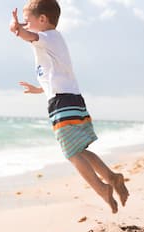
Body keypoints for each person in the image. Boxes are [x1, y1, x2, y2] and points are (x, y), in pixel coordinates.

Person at [9, 0, 129, 213]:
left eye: (28, 21)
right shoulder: (53, 40)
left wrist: (17, 29)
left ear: (43, 20)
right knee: (79, 149)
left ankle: (103, 189)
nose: (26, 25)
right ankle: (112, 177)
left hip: (62, 103)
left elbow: (29, 35)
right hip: (71, 99)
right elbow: (54, 76)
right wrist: (38, 89)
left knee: (72, 154)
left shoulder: (46, 37)